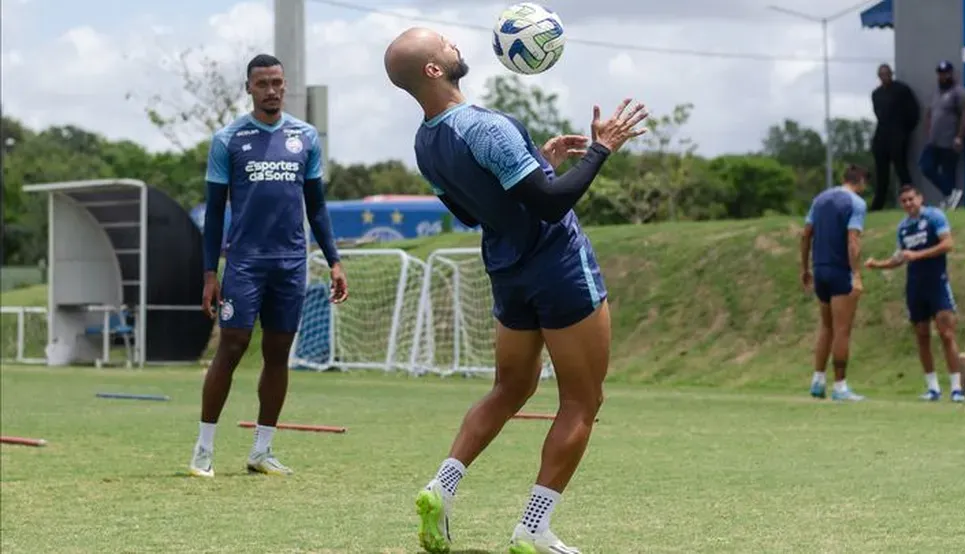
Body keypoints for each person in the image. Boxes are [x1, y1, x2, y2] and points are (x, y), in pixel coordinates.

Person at [383, 27, 647, 554]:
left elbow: (471, 209)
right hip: (559, 266)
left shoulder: (426, 142)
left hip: (507, 273)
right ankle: (533, 528)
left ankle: (443, 486)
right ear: (434, 70)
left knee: (510, 389)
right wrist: (601, 149)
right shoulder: (487, 127)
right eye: (443, 43)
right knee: (582, 400)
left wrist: (539, 163)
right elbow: (551, 206)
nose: (454, 43)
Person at [188, 54, 348, 478]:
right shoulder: (228, 140)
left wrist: (334, 261)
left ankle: (262, 449)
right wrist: (209, 272)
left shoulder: (306, 137)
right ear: (249, 88)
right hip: (244, 263)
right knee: (233, 347)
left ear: (285, 85)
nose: (272, 90)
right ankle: (203, 450)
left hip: (291, 263)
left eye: (277, 82)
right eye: (263, 84)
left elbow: (316, 207)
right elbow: (215, 212)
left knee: (278, 354)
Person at [864, 186, 965, 402]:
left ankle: (957, 388)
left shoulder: (934, 216)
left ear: (920, 198)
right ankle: (933, 388)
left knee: (946, 333)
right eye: (904, 201)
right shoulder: (903, 227)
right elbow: (900, 258)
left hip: (937, 282)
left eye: (911, 199)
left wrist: (918, 255)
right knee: (922, 335)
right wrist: (877, 264)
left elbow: (948, 244)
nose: (908, 204)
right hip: (915, 286)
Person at [800, 164, 870, 402]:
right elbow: (853, 240)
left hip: (820, 269)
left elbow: (806, 233)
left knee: (826, 328)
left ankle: (818, 382)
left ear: (843, 178)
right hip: (840, 271)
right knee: (842, 330)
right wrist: (857, 274)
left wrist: (804, 268)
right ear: (861, 181)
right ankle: (840, 387)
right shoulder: (856, 203)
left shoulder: (820, 199)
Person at [919, 60, 965, 210]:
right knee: (926, 167)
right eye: (940, 74)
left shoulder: (959, 92)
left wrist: (960, 137)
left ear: (951, 74)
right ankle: (951, 194)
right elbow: (930, 113)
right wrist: (928, 131)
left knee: (948, 172)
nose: (943, 76)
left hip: (950, 140)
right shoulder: (936, 92)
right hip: (933, 140)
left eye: (946, 73)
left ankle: (950, 199)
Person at [870, 63, 919, 211]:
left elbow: (914, 113)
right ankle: (878, 205)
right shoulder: (876, 94)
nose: (885, 77)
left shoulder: (902, 90)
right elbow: (878, 114)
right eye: (882, 74)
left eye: (887, 73)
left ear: (891, 74)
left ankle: (911, 200)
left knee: (901, 169)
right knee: (881, 173)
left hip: (898, 135)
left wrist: (904, 132)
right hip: (882, 135)